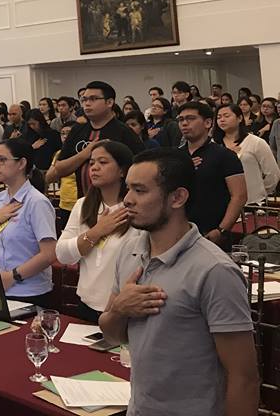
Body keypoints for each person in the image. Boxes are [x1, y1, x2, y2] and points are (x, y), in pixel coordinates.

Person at [99, 149, 258, 416]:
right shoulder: (130, 252)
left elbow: (243, 378)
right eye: (128, 189)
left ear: (178, 197)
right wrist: (119, 310)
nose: (127, 199)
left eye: (140, 190)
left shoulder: (214, 271)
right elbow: (112, 334)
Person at [56, 142, 136, 322]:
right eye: (91, 163)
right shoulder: (83, 205)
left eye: (103, 162)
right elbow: (62, 254)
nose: (94, 168)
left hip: (122, 309)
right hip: (86, 305)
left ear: (122, 170)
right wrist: (96, 232)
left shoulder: (134, 209)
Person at [0, 139, 57, 306]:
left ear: (22, 163)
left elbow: (49, 254)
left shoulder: (36, 202)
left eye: (2, 160)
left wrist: (13, 276)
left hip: (31, 292)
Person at [46, 81, 144, 202]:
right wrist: (85, 154)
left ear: (109, 102)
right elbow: (59, 168)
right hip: (84, 202)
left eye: (93, 99)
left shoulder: (124, 132)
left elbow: (141, 169)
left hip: (118, 204)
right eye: (84, 99)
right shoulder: (77, 130)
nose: (87, 103)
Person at [177, 101, 246, 242]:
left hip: (212, 231)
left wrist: (221, 230)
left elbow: (239, 196)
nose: (184, 123)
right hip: (179, 231)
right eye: (181, 119)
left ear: (208, 123)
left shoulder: (224, 155)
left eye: (190, 118)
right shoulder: (174, 156)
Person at [213, 103, 279, 205]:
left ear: (239, 118)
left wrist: (260, 192)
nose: (222, 120)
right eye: (218, 117)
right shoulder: (213, 144)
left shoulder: (256, 142)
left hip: (253, 202)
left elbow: (273, 174)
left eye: (226, 116)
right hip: (222, 202)